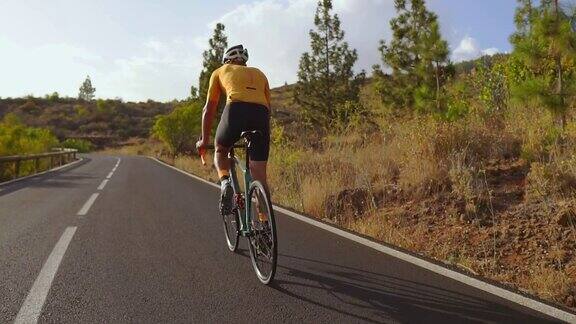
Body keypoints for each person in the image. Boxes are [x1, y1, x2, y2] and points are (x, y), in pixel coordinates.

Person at [196, 45, 271, 216]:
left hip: (236, 110)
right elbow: (268, 110)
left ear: (227, 60)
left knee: (221, 150)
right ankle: (265, 224)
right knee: (259, 176)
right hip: (261, 114)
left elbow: (208, 110)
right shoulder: (260, 74)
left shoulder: (220, 71)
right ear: (244, 61)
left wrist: (204, 140)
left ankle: (225, 183)